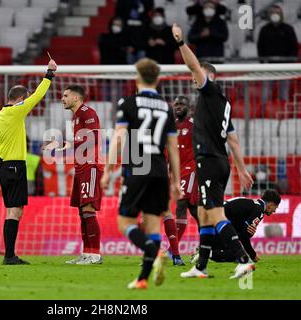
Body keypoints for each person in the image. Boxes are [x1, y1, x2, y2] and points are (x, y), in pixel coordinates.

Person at [172, 23, 255, 279]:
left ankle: (242, 260)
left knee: (215, 214)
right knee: (205, 215)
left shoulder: (209, 91)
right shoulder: (223, 103)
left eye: (196, 76)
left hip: (208, 161)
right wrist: (242, 169)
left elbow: (194, 66)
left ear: (207, 76)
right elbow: (234, 140)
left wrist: (180, 42)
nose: (192, 79)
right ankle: (201, 267)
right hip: (221, 162)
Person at [101, 58, 181, 289]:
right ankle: (143, 279)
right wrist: (175, 180)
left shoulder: (128, 102)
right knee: (153, 224)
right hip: (159, 167)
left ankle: (152, 252)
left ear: (136, 78)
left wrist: (108, 170)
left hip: (138, 163)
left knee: (125, 221)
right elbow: (173, 147)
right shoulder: (167, 107)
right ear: (158, 79)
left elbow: (118, 137)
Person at [0, 59, 57, 265]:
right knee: (15, 210)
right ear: (20, 99)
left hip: (3, 165)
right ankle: (9, 256)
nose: (27, 102)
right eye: (25, 99)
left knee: (13, 209)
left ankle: (9, 254)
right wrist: (49, 73)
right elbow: (38, 96)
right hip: (14, 166)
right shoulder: (15, 111)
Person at [44, 85, 104, 265]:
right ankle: (86, 253)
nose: (62, 98)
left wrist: (64, 142)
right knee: (82, 211)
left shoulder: (87, 113)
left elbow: (91, 138)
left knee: (88, 209)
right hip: (80, 166)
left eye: (65, 95)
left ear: (76, 98)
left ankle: (95, 254)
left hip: (90, 165)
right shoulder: (76, 117)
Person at [191, 190, 281, 264]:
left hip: (207, 224)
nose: (274, 211)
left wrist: (247, 234)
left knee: (232, 249)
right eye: (275, 208)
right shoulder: (259, 210)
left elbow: (240, 232)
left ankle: (204, 250)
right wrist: (253, 255)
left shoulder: (250, 204)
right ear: (271, 205)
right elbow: (244, 237)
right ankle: (205, 253)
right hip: (217, 226)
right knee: (238, 254)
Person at [161, 96, 199, 266]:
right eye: (176, 104)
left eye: (182, 104)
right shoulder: (171, 126)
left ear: (189, 107)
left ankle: (171, 251)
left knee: (181, 204)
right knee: (194, 209)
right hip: (175, 172)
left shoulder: (195, 125)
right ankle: (212, 240)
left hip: (190, 169)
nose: (178, 107)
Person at [257, 5, 298, 105]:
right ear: (269, 15)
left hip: (285, 66)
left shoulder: (289, 29)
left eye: (278, 13)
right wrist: (263, 62)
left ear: (282, 15)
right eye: (273, 13)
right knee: (266, 93)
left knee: (284, 92)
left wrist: (289, 63)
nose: (275, 15)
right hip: (268, 66)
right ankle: (264, 114)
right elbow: (260, 47)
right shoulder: (264, 29)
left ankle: (283, 115)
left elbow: (294, 47)